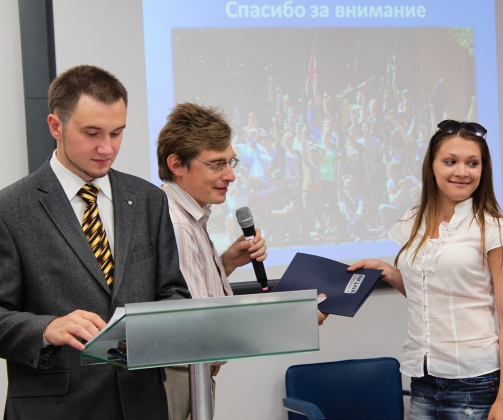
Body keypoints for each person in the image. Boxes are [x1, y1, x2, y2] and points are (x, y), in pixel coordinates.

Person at [0, 65, 191, 420]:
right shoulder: (10, 209)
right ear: (55, 126)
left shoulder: (148, 200)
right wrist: (46, 328)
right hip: (56, 409)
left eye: (117, 133)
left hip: (142, 403)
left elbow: (173, 292)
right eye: (92, 133)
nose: (107, 148)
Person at [156, 103, 328, 419]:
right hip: (181, 375)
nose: (230, 175)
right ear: (177, 164)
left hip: (193, 372)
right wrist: (295, 317)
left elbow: (184, 290)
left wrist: (225, 264)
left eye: (230, 162)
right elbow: (197, 319)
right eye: (217, 164)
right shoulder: (175, 223)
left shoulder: (188, 216)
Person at [349, 120, 503, 419]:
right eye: (450, 161)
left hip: (475, 381)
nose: (462, 171)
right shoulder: (412, 222)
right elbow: (429, 295)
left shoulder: (495, 230)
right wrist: (388, 272)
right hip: (423, 378)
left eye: (473, 163)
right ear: (432, 166)